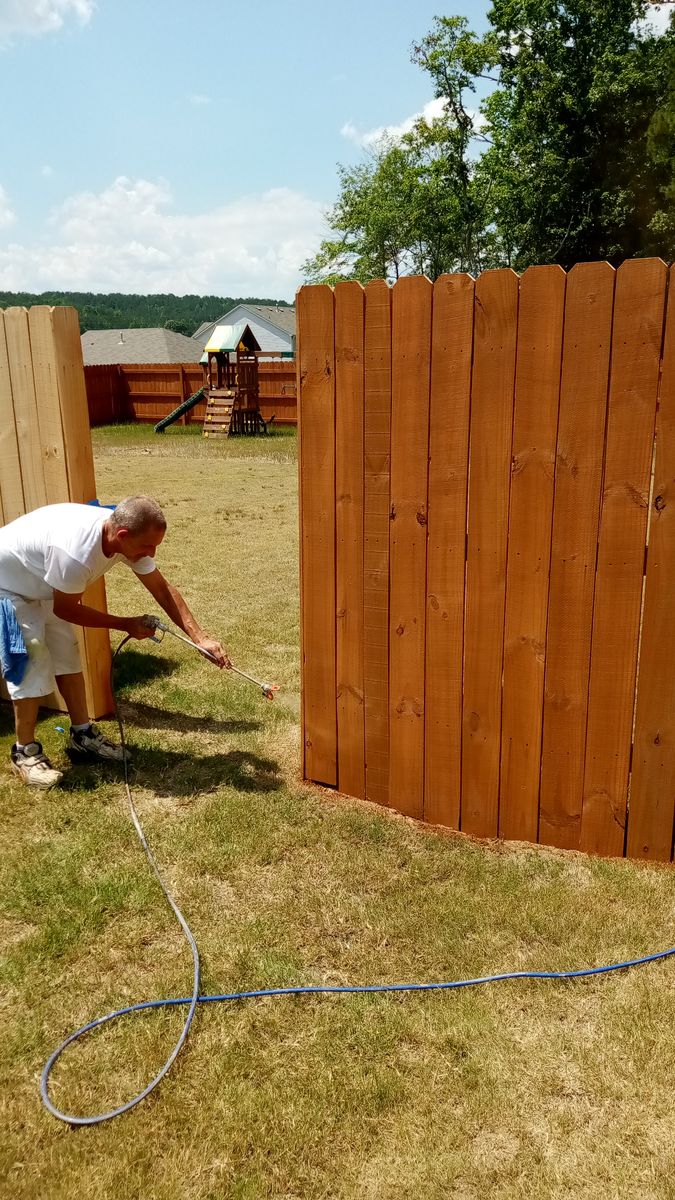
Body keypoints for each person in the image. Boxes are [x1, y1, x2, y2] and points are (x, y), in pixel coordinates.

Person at [0, 495, 230, 789]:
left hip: (44, 582)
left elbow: (162, 589)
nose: (152, 553)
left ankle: (82, 736)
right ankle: (25, 752)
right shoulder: (75, 553)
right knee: (30, 664)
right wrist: (125, 624)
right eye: (148, 546)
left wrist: (202, 639)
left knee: (67, 655)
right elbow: (66, 609)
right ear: (121, 536)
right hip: (7, 586)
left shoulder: (123, 536)